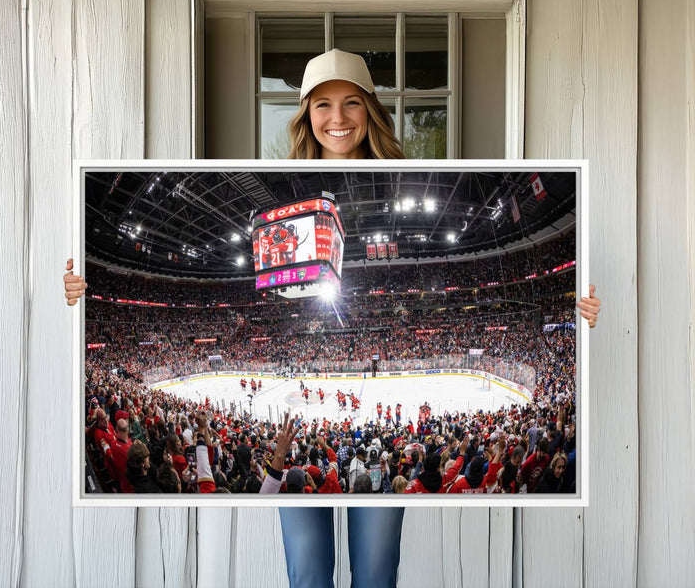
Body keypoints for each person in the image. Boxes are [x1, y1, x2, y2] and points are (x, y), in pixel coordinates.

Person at [63, 48, 602, 588]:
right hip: (304, 479)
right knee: (308, 575)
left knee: (374, 574)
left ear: (371, 109)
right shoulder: (274, 181)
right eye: (322, 105)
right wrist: (76, 297)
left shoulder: (412, 172)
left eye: (351, 103)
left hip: (339, 478)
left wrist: (582, 311)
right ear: (305, 115)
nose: (337, 118)